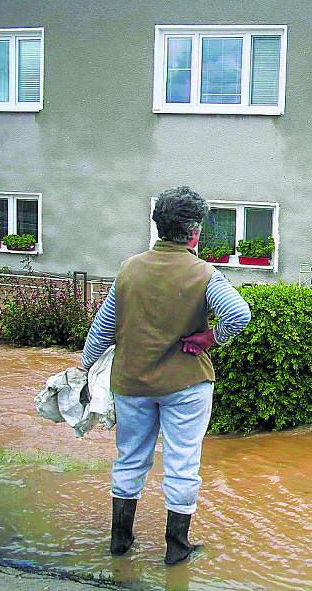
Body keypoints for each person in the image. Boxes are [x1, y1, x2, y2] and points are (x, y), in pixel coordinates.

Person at [80, 186, 251, 565]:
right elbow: (240, 315)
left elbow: (102, 329)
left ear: (158, 227)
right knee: (183, 462)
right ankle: (177, 549)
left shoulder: (129, 269)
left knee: (129, 459)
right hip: (186, 385)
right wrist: (210, 337)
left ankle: (120, 543)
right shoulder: (204, 273)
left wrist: (85, 368)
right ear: (195, 233)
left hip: (132, 384)